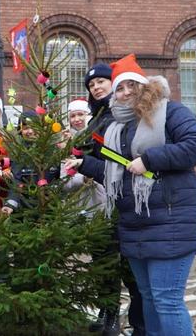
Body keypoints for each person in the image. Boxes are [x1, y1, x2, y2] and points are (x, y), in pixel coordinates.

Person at [68, 55, 196, 336]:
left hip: (171, 222)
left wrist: (150, 159)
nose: (126, 92)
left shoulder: (170, 111)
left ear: (145, 86)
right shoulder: (118, 127)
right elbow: (116, 170)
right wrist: (83, 164)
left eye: (131, 85)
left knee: (167, 300)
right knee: (149, 298)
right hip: (135, 226)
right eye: (120, 88)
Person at [75, 63, 145, 336]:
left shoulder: (122, 115)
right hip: (100, 198)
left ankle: (136, 322)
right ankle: (109, 313)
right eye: (92, 85)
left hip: (122, 197)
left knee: (128, 264)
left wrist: (84, 161)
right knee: (103, 261)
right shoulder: (96, 117)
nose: (96, 87)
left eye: (101, 82)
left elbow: (118, 159)